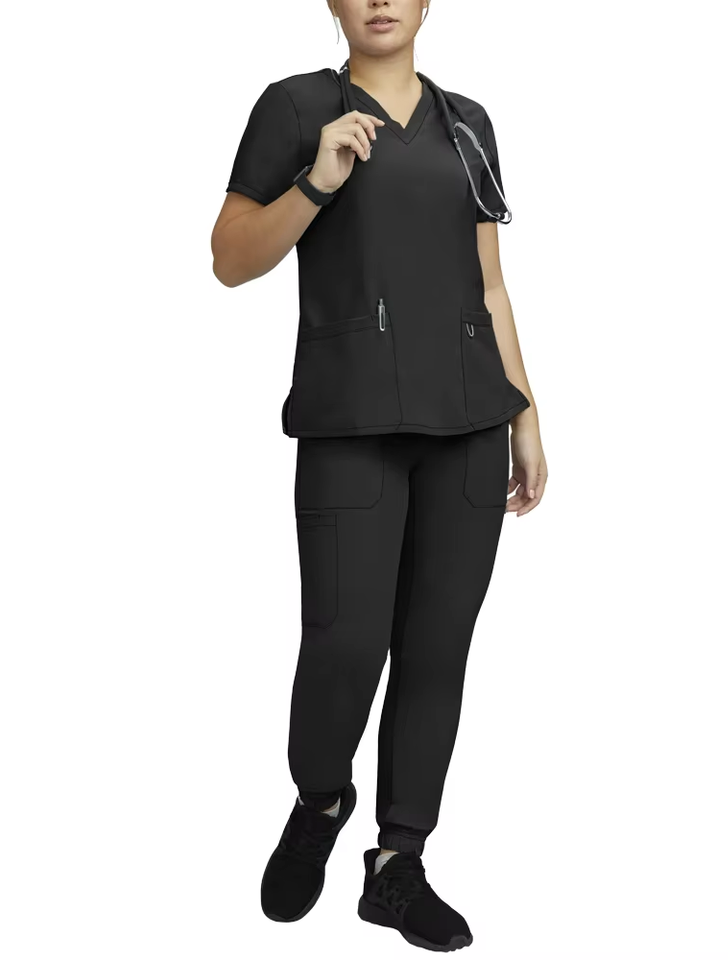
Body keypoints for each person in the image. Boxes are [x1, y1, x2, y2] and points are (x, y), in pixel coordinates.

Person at [211, 1, 547, 951]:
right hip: (350, 420)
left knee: (437, 651)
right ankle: (321, 800)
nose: (381, 1)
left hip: (470, 424)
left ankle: (398, 863)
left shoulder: (467, 123)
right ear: (333, 2)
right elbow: (229, 259)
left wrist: (525, 412)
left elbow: (490, 283)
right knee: (345, 644)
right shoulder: (294, 108)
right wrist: (315, 183)